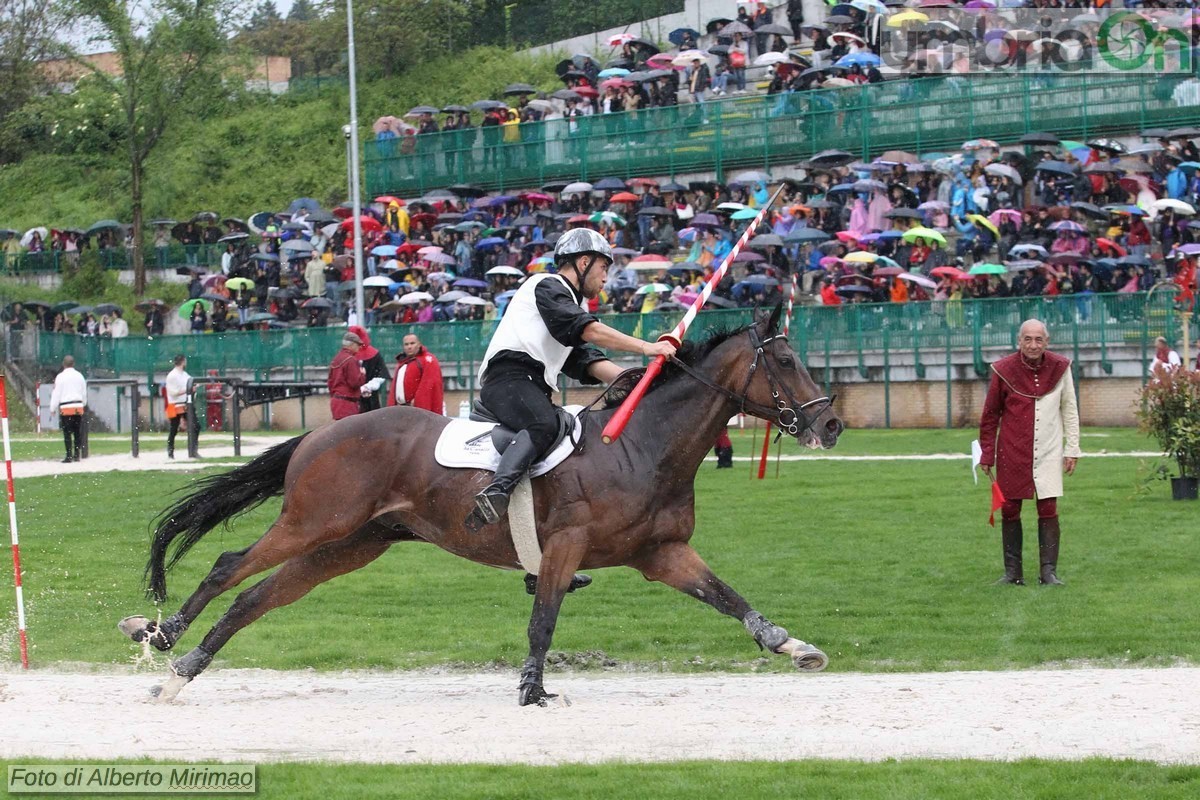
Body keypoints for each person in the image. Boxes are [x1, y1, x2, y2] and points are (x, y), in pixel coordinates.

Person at [465, 227, 677, 532]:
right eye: (604, 267)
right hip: (507, 379)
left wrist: (635, 380)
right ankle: (496, 492)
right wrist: (646, 347)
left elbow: (583, 359)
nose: (606, 278)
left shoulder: (571, 306)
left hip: (532, 385)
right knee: (544, 425)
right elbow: (587, 330)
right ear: (583, 262)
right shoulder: (546, 285)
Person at [979, 320, 1081, 587]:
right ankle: (1013, 574)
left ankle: (1048, 573)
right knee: (1010, 508)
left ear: (1047, 342)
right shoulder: (1003, 370)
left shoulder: (1061, 368)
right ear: (1019, 341)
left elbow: (1069, 410)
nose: (1033, 345)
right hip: (1011, 450)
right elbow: (990, 415)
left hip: (1049, 449)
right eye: (1028, 339)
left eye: (1038, 339)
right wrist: (987, 453)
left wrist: (1072, 448)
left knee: (1047, 507)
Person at [388, 333, 444, 414]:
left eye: (412, 343)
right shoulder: (402, 363)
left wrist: (418, 401)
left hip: (415, 410)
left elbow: (429, 385)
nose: (409, 347)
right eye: (406, 344)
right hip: (400, 409)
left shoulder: (428, 360)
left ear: (419, 344)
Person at [49, 355, 86, 463]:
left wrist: (53, 407)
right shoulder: (80, 376)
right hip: (78, 406)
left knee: (67, 432)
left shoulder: (60, 377)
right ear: (73, 364)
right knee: (77, 431)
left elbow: (56, 393)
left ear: (63, 364)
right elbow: (83, 392)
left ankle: (68, 455)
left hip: (66, 407)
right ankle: (77, 454)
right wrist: (83, 403)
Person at [165, 354, 199, 459]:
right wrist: (188, 389)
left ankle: (193, 450)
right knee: (174, 429)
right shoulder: (172, 375)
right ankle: (170, 452)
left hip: (186, 404)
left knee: (196, 426)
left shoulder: (184, 374)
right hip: (175, 405)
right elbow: (173, 392)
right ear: (183, 361)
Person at [348, 325, 388, 413]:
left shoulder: (346, 357)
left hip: (369, 398)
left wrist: (368, 387)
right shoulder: (347, 357)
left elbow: (380, 375)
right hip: (355, 399)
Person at [327, 331, 366, 421]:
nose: (360, 347)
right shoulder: (350, 360)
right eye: (358, 344)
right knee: (350, 433)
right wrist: (362, 375)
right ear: (351, 345)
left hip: (336, 402)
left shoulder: (336, 359)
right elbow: (354, 383)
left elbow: (330, 382)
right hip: (347, 404)